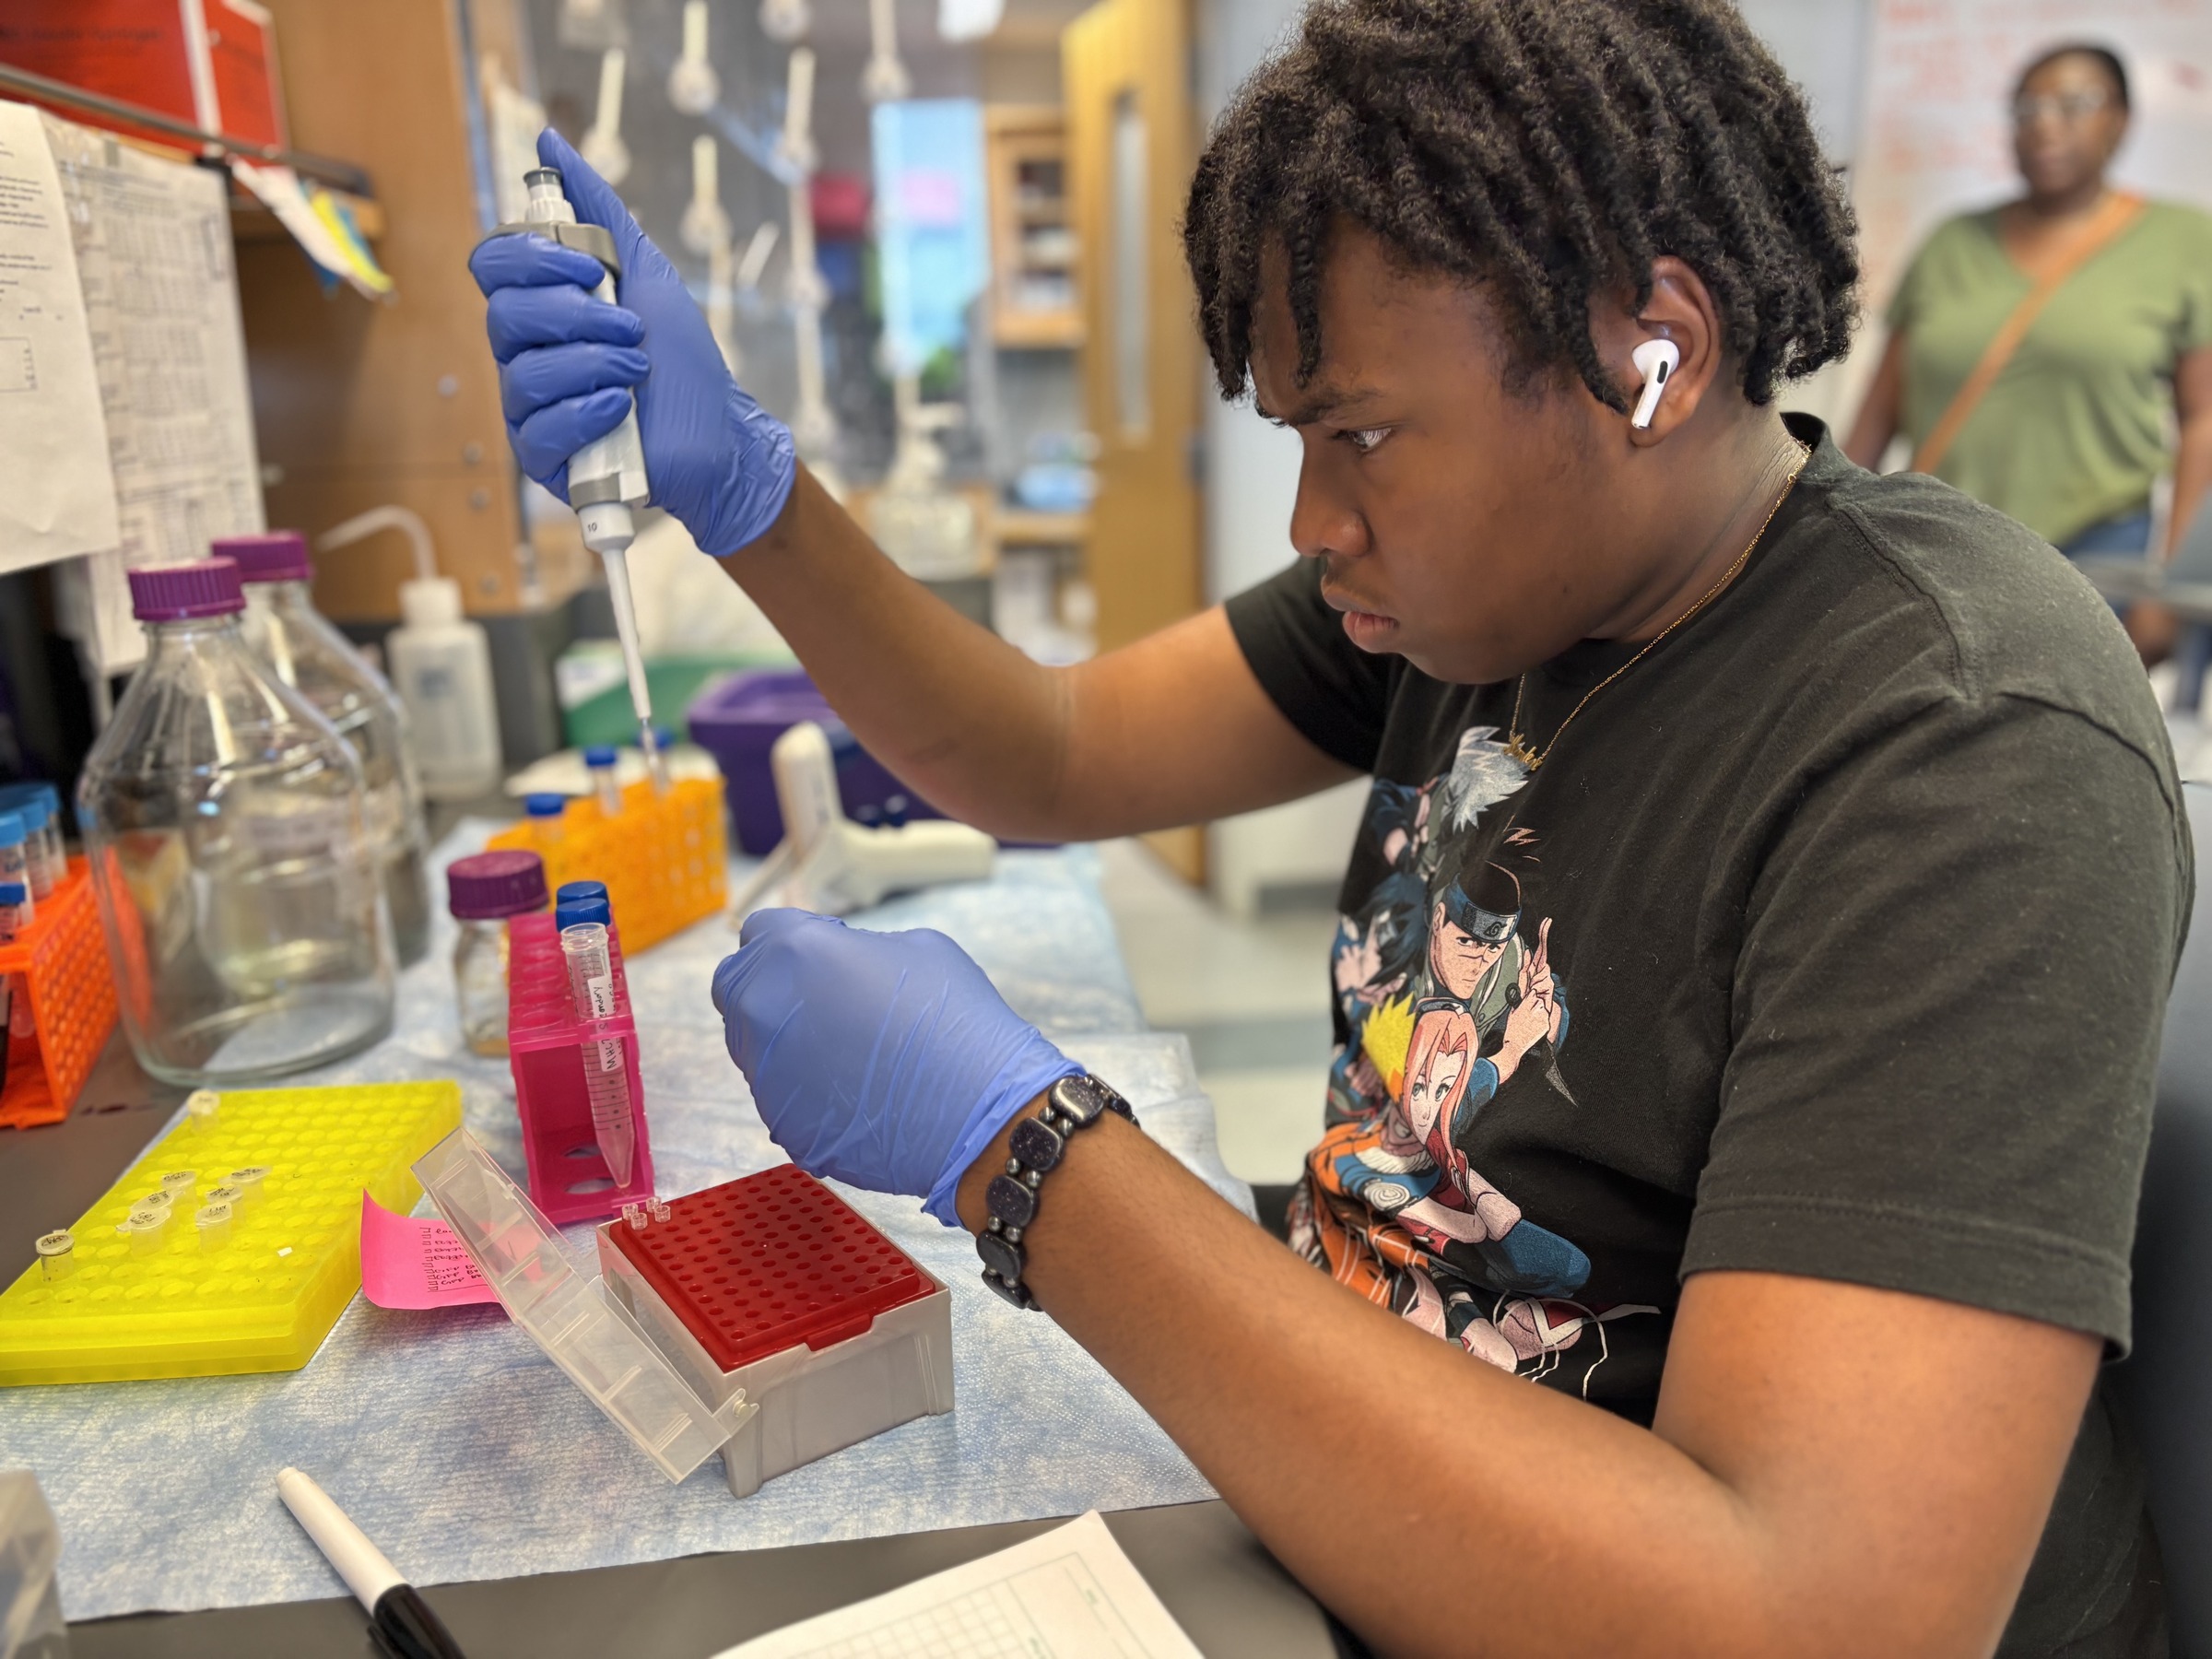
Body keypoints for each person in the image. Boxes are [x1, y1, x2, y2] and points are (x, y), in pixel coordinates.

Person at [471, 0, 2187, 1651]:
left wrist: (1030, 1159)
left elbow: (1800, 1616)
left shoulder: (1957, 742)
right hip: (1354, 1499)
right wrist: (753, 501)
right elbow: (1048, 750)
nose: (1315, 520)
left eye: (1362, 433)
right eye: (1299, 434)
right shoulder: (1491, 601)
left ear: (1652, 355)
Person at [1845, 41, 2212, 662]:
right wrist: (1831, 552)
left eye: (2074, 104)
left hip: (2096, 564)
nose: (2044, 123)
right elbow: (1879, 413)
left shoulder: (2181, 242)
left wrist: (2173, 587)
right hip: (1940, 558)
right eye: (2027, 107)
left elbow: (2203, 419)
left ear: (2120, 119)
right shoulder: (1952, 242)